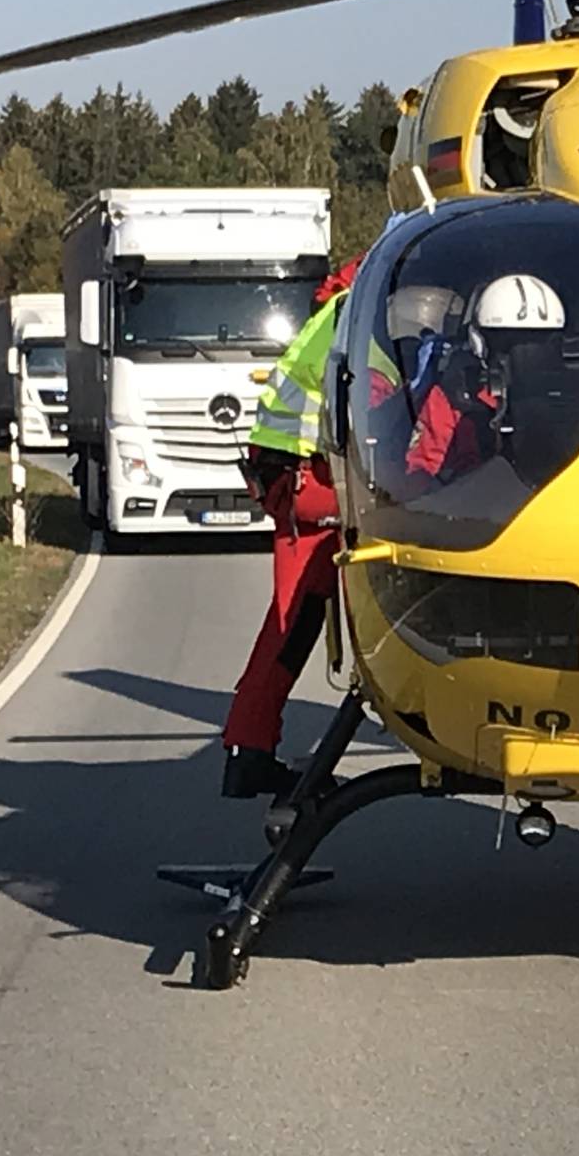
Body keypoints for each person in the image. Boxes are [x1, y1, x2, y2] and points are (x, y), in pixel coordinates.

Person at [218, 255, 362, 798]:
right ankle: (249, 748)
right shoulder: (360, 314)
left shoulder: (337, 309)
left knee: (295, 620)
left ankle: (250, 746)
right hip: (310, 477)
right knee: (295, 618)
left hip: (295, 473)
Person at [400, 272, 565, 484]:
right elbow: (421, 471)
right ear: (480, 342)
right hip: (475, 509)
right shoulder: (455, 396)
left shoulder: (577, 396)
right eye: (507, 344)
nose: (521, 355)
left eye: (535, 343)